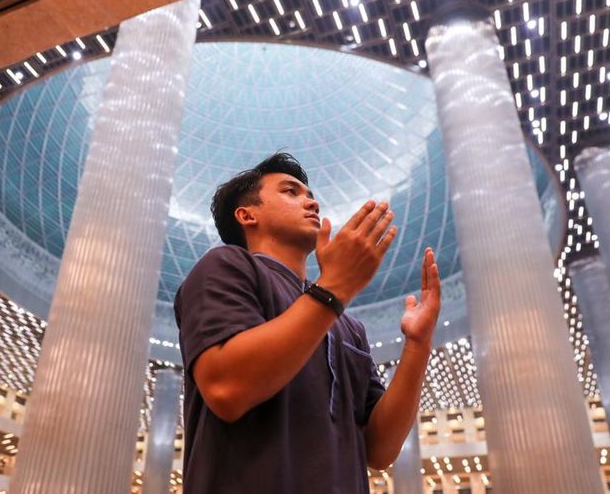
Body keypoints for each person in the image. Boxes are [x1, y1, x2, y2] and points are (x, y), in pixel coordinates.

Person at [174, 152, 441, 493]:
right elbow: (227, 388)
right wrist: (336, 287)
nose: (311, 203)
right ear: (246, 215)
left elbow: (379, 450)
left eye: (312, 197)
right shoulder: (225, 266)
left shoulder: (347, 325)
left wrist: (417, 346)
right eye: (291, 192)